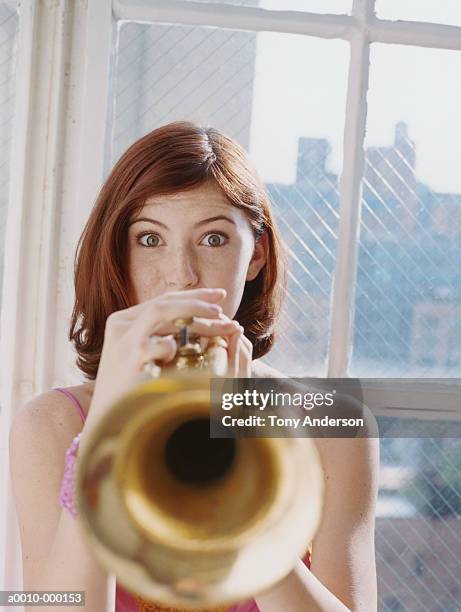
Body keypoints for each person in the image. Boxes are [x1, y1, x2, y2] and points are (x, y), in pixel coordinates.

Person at [10, 121, 379, 611]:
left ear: (256, 256)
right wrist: (102, 438)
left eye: (213, 240)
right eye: (149, 239)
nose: (180, 275)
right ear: (116, 255)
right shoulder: (52, 426)